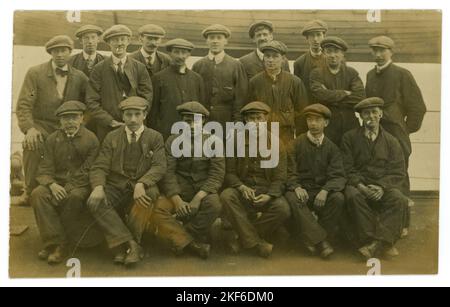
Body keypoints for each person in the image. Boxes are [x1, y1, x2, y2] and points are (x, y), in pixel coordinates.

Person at [87, 96, 166, 266]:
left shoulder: (155, 137)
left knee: (149, 195)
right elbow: (100, 165)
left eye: (137, 114)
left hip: (142, 185)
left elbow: (159, 166)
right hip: (117, 185)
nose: (132, 119)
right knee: (96, 201)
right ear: (122, 116)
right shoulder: (112, 137)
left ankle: (123, 248)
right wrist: (99, 187)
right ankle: (132, 245)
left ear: (144, 115)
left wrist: (142, 183)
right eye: (128, 115)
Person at [17, 35, 89, 199]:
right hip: (43, 126)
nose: (60, 54)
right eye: (56, 51)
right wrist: (29, 129)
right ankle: (29, 191)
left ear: (70, 52)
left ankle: (72, 190)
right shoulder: (35, 73)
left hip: (70, 126)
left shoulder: (80, 77)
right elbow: (24, 104)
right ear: (50, 52)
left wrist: (81, 124)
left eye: (64, 50)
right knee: (32, 143)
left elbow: (90, 104)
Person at [152, 101, 225, 259]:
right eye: (187, 121)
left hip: (203, 190)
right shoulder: (172, 141)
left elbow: (216, 175)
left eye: (196, 122)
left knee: (215, 205)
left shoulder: (215, 142)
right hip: (179, 189)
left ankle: (181, 237)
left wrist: (198, 198)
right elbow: (167, 173)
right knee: (157, 208)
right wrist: (176, 199)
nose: (192, 126)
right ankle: (193, 244)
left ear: (204, 121)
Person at [30, 101, 99, 265]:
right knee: (37, 194)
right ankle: (55, 242)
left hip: (80, 185)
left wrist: (67, 188)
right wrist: (52, 185)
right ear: (60, 121)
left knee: (74, 196)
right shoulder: (52, 139)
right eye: (65, 118)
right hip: (56, 184)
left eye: (74, 118)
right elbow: (44, 168)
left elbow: (88, 170)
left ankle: (59, 245)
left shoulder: (91, 140)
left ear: (82, 118)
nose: (69, 122)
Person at [220, 102, 290, 258]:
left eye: (260, 119)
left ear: (266, 120)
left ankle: (244, 238)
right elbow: (229, 172)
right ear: (245, 121)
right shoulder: (234, 141)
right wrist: (241, 187)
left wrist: (270, 195)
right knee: (226, 196)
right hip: (244, 189)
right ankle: (258, 243)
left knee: (283, 209)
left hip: (266, 190)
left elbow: (280, 177)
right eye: (252, 119)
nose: (257, 124)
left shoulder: (276, 143)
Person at [341, 97, 408, 260]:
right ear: (361, 117)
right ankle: (378, 242)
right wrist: (361, 186)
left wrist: (382, 187)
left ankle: (374, 245)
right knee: (352, 196)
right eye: (366, 113)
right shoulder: (349, 138)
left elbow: (398, 172)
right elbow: (346, 168)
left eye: (374, 112)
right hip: (358, 185)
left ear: (381, 114)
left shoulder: (392, 141)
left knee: (399, 199)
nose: (370, 116)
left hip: (382, 187)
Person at [365, 35, 427, 198]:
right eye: (375, 51)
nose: (378, 55)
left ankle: (403, 220)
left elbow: (418, 107)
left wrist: (404, 130)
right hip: (376, 135)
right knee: (378, 176)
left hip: (397, 135)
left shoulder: (402, 74)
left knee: (399, 176)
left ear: (391, 52)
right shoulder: (370, 75)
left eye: (382, 51)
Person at [285, 104, 346, 259]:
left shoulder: (332, 148)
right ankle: (321, 242)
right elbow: (288, 171)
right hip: (303, 190)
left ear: (326, 123)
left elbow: (338, 175)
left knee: (338, 198)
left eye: (317, 120)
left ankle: (312, 238)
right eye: (309, 120)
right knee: (292, 198)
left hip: (321, 190)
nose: (313, 123)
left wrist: (325, 190)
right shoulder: (295, 144)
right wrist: (296, 186)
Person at [85, 24, 152, 141]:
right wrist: (109, 121)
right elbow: (91, 101)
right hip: (107, 128)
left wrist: (135, 118)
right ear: (109, 43)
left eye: (122, 39)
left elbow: (147, 97)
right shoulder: (99, 69)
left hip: (135, 127)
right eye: (115, 40)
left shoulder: (139, 68)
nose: (119, 43)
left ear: (128, 41)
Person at [249, 40, 308, 144]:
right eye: (267, 56)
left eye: (275, 56)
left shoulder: (295, 82)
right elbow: (249, 112)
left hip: (286, 135)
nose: (271, 60)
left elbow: (301, 113)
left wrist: (299, 137)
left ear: (283, 59)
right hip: (262, 134)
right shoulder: (255, 82)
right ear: (263, 59)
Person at [310, 36, 366, 146]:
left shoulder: (351, 73)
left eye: (336, 51)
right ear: (324, 54)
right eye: (329, 52)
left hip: (350, 125)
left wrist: (330, 96)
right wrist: (345, 93)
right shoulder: (316, 73)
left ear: (342, 54)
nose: (332, 55)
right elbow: (320, 95)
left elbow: (360, 97)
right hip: (327, 127)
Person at [192, 24, 248, 127]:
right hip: (203, 120)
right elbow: (194, 97)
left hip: (227, 121)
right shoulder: (198, 65)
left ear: (225, 41)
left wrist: (238, 122)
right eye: (211, 38)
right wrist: (196, 122)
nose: (215, 41)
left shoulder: (235, 65)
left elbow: (240, 98)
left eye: (219, 38)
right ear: (207, 41)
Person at [150, 38, 205, 139]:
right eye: (176, 52)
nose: (180, 56)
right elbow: (153, 112)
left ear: (189, 55)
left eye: (184, 52)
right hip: (166, 132)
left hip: (191, 133)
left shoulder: (197, 79)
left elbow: (201, 108)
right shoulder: (158, 78)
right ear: (170, 53)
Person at [293, 20, 328, 104]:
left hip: (328, 106)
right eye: (312, 36)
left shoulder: (332, 60)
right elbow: (298, 90)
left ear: (324, 36)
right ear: (307, 38)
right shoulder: (299, 63)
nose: (315, 39)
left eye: (318, 35)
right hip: (308, 107)